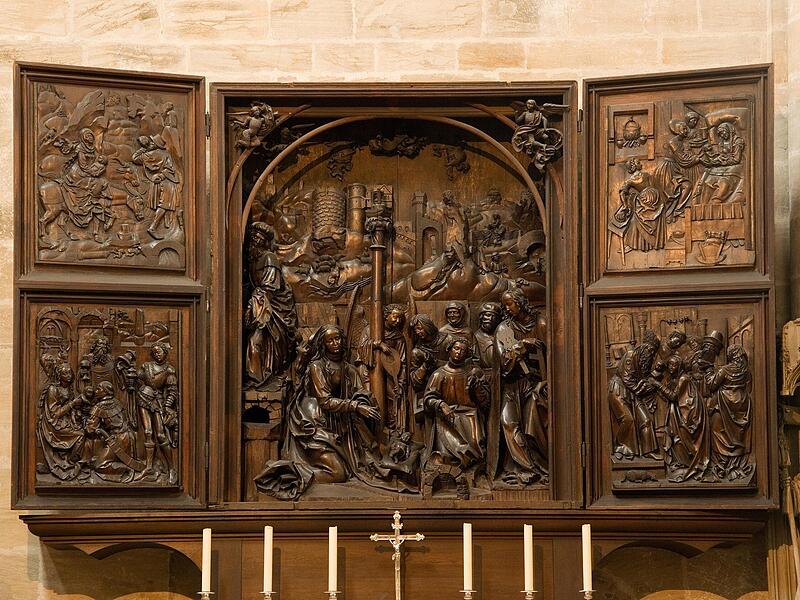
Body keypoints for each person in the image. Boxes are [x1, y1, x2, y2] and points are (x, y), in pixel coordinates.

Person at [255, 325, 391, 499]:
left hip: (337, 423)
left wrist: (366, 401)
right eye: (330, 340)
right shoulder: (316, 367)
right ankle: (289, 477)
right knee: (338, 473)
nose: (336, 343)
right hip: (312, 423)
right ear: (323, 344)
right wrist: (356, 406)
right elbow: (325, 401)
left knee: (364, 464)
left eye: (338, 338)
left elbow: (360, 393)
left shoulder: (348, 368)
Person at [491, 287, 549, 485]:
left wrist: (546, 382)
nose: (506, 309)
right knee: (508, 422)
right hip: (511, 385)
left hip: (538, 384)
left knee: (534, 418)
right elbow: (504, 361)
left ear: (521, 303)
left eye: (509, 304)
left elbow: (557, 358)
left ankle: (545, 465)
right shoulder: (504, 328)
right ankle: (526, 467)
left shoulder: (541, 323)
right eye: (504, 304)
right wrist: (522, 345)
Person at [422, 338, 489, 472]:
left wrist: (477, 387)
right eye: (456, 348)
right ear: (449, 350)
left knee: (476, 451)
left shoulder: (474, 372)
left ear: (467, 353)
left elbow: (486, 402)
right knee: (445, 457)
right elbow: (428, 399)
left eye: (463, 350)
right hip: (447, 419)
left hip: (471, 417)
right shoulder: (439, 374)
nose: (459, 352)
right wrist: (440, 404)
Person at [244, 222, 298, 388]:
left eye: (259, 239)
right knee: (255, 343)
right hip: (261, 306)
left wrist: (252, 305)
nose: (255, 241)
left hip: (275, 308)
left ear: (264, 242)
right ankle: (257, 380)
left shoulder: (269, 258)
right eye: (253, 238)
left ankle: (262, 379)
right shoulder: (252, 260)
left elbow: (270, 287)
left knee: (266, 343)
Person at [650, 355, 709, 482]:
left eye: (674, 365)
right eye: (669, 365)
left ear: (680, 366)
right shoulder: (676, 378)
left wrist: (657, 384)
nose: (671, 368)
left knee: (681, 438)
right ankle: (681, 463)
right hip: (680, 413)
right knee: (677, 439)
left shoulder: (684, 378)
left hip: (688, 415)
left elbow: (673, 397)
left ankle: (688, 463)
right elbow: (669, 397)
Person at [607, 329, 660, 460]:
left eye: (653, 352)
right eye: (651, 350)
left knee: (646, 421)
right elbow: (628, 380)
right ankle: (621, 447)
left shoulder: (644, 361)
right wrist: (645, 387)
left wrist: (655, 377)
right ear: (645, 347)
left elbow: (644, 378)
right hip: (619, 391)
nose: (652, 354)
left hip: (633, 394)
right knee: (628, 419)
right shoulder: (631, 355)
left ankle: (648, 451)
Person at [706, 345, 753, 481]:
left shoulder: (725, 370)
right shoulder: (746, 372)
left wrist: (709, 371)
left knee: (718, 432)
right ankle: (734, 464)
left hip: (723, 405)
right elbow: (749, 388)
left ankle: (722, 465)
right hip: (741, 404)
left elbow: (712, 385)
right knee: (736, 435)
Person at [135, 342, 179, 484]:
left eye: (159, 352)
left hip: (158, 401)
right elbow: (138, 378)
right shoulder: (146, 366)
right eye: (154, 352)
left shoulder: (169, 370)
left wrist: (167, 406)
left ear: (165, 352)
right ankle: (149, 467)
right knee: (148, 432)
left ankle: (172, 468)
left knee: (160, 434)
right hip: (143, 398)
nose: (157, 354)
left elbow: (172, 392)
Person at [36, 361, 85, 481]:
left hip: (65, 421)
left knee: (83, 431)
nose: (68, 375)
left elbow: (72, 409)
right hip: (52, 424)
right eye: (65, 373)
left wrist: (75, 419)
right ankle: (69, 463)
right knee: (80, 436)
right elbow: (55, 413)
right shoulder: (53, 389)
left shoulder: (69, 388)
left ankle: (71, 461)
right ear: (59, 375)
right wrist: (72, 404)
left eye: (69, 372)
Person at [611, 158, 667, 253]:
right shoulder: (644, 176)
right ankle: (644, 245)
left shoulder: (631, 180)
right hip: (654, 196)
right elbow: (654, 186)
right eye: (638, 162)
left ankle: (634, 245)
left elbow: (622, 192)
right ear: (633, 166)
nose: (640, 163)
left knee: (636, 221)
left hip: (645, 199)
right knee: (640, 221)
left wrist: (625, 205)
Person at [132, 134, 181, 239]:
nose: (150, 142)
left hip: (157, 182)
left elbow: (135, 158)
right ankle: (153, 227)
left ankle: (160, 224)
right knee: (164, 205)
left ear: (154, 144)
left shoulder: (148, 154)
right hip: (167, 182)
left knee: (163, 204)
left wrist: (143, 149)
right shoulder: (165, 154)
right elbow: (170, 168)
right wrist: (163, 175)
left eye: (151, 141)